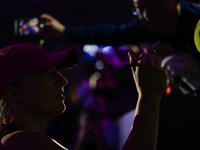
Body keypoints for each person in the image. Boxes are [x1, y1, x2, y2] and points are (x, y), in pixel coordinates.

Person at [0, 43, 167, 150]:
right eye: (45, 73)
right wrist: (149, 97)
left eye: (56, 71)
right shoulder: (22, 143)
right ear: (13, 93)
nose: (62, 80)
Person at [41, 0, 200, 61]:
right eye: (140, 8)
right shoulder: (147, 26)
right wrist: (63, 31)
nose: (146, 15)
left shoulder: (196, 23)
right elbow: (111, 33)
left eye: (154, 4)